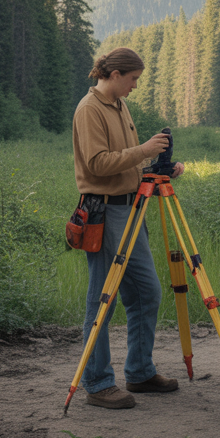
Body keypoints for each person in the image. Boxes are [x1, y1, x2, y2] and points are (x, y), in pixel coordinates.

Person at [72, 47, 184, 409]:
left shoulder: (119, 105)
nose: (135, 86)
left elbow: (127, 162)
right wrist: (144, 150)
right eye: (133, 79)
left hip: (132, 208)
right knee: (101, 300)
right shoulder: (90, 109)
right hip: (103, 214)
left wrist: (158, 166)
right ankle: (98, 383)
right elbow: (98, 164)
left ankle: (139, 372)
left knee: (147, 292)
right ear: (116, 73)